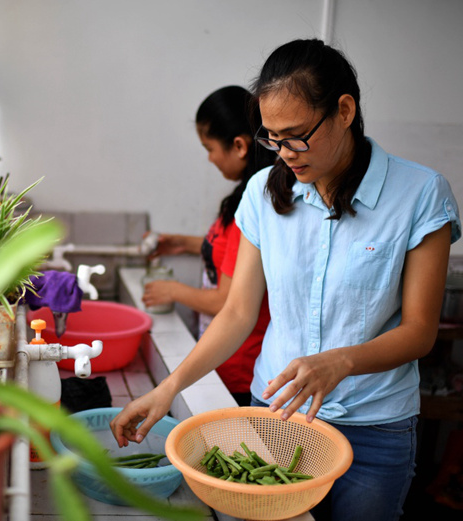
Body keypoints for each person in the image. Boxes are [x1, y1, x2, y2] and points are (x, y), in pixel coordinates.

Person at [111, 38, 461, 521]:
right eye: (271, 139)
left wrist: (339, 362)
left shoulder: (419, 194)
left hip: (374, 427)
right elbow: (236, 312)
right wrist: (168, 389)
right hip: (277, 416)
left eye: (295, 135)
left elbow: (420, 332)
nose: (283, 154)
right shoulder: (261, 191)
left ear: (344, 110)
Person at [141, 85, 276, 406]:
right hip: (223, 358)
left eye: (210, 147)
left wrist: (172, 290)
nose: (209, 158)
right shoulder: (242, 198)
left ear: (239, 146)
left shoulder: (254, 203)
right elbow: (232, 252)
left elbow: (226, 301)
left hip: (239, 366)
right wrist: (186, 244)